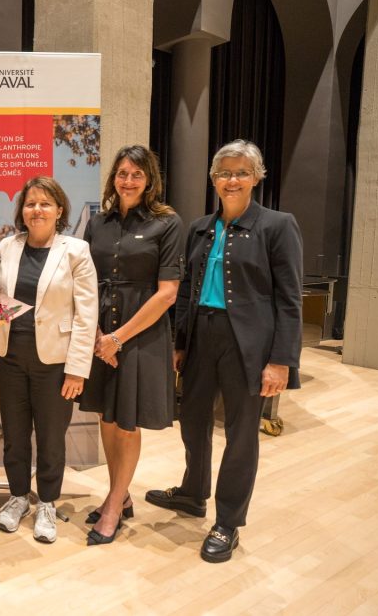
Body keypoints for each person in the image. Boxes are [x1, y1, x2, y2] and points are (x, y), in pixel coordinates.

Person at [145, 140, 302, 563]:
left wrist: (281, 360)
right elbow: (184, 294)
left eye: (241, 173)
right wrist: (180, 343)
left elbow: (290, 299)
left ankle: (228, 521)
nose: (232, 180)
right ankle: (194, 493)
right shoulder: (198, 227)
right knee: (193, 421)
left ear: (256, 177)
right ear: (213, 179)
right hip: (200, 338)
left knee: (240, 434)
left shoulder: (277, 225)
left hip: (248, 346)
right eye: (224, 173)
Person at [0, 176, 98, 544]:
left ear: (59, 210)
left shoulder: (76, 250)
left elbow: (86, 313)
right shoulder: (7, 246)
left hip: (56, 362)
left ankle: (47, 501)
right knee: (14, 435)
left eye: (45, 203)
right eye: (31, 203)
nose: (37, 210)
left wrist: (78, 369)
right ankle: (18, 497)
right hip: (10, 356)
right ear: (22, 210)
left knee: (50, 438)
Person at [78, 146, 184, 546]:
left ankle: (113, 506)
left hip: (141, 334)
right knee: (106, 416)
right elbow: (85, 281)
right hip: (99, 332)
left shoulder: (167, 223)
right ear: (113, 178)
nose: (128, 180)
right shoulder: (99, 222)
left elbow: (168, 293)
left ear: (150, 179)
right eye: (122, 173)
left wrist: (118, 338)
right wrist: (95, 336)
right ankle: (117, 497)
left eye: (137, 174)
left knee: (127, 421)